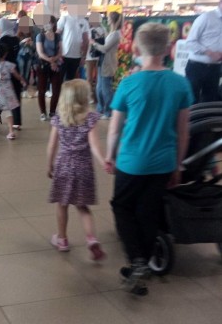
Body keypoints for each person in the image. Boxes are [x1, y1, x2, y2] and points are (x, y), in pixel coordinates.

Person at [105, 23, 193, 296]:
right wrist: (178, 165)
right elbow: (183, 131)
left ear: (135, 48)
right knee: (148, 211)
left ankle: (138, 261)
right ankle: (143, 261)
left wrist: (109, 155)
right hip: (163, 162)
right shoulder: (180, 83)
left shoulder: (129, 83)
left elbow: (115, 128)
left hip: (131, 161)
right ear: (168, 49)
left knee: (122, 207)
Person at [47, 79, 106, 261]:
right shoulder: (90, 119)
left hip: (63, 166)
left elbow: (51, 146)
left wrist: (49, 165)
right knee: (83, 206)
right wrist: (104, 161)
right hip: (84, 169)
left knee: (62, 204)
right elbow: (95, 146)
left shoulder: (59, 119)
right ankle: (91, 239)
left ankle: (62, 239)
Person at [185, 0, 222, 103]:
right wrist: (209, 53)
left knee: (210, 101)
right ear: (220, 2)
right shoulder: (206, 18)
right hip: (197, 67)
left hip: (215, 68)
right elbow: (190, 42)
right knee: (192, 100)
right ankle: (191, 120)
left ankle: (207, 120)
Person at [90, 11, 121, 119]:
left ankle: (108, 112)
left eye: (108, 18)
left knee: (106, 89)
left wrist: (93, 43)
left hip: (107, 63)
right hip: (103, 62)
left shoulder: (116, 34)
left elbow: (104, 48)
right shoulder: (112, 32)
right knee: (99, 88)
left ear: (112, 20)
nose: (106, 20)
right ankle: (100, 109)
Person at [0, 17, 22, 130]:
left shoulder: (1, 40)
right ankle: (17, 122)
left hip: (2, 71)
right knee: (15, 97)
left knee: (0, 98)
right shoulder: (16, 39)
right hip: (14, 68)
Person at [0, 43, 27, 140]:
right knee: (7, 111)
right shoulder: (9, 65)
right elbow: (16, 75)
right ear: (5, 54)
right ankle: (11, 131)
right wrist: (22, 80)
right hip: (8, 90)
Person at [36, 23, 63, 121]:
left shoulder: (58, 36)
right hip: (43, 64)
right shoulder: (40, 36)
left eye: (49, 22)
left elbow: (60, 51)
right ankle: (43, 112)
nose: (47, 25)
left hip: (56, 64)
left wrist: (54, 60)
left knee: (56, 89)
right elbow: (40, 53)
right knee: (41, 89)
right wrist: (51, 61)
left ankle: (52, 111)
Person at [57, 12, 90, 81]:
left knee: (70, 80)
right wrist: (57, 53)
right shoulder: (65, 18)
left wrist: (83, 57)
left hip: (76, 57)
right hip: (63, 55)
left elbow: (86, 40)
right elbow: (57, 35)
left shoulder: (84, 22)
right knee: (58, 79)